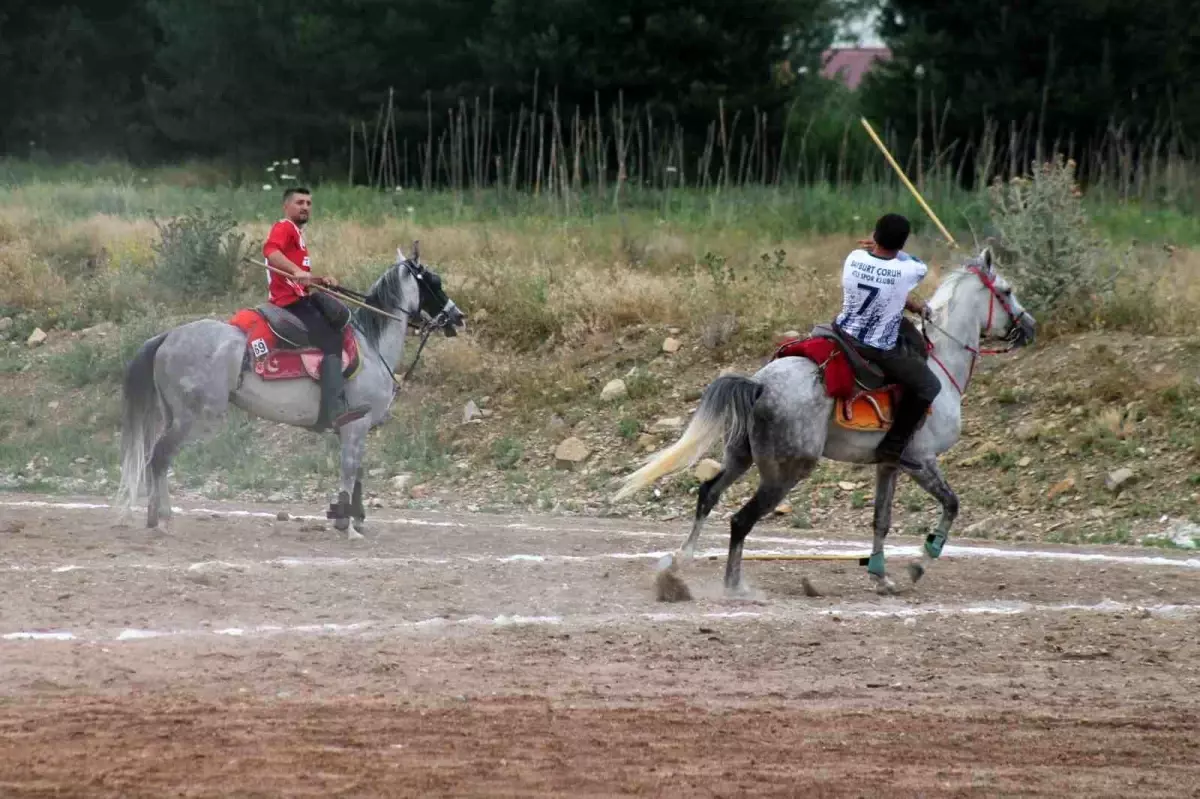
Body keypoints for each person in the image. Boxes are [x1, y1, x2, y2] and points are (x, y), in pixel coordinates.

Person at [833, 212, 941, 469]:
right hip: (875, 345)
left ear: (875, 235)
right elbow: (915, 266)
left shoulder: (854, 257)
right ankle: (893, 447)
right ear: (902, 244)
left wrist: (911, 305)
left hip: (843, 330)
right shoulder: (907, 269)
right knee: (929, 386)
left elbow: (884, 283)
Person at [262, 186, 368, 430]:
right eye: (299, 202)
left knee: (340, 321)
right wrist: (297, 271)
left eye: (309, 203)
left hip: (300, 296)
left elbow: (300, 278)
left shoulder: (298, 235)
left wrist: (321, 280)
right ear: (286, 206)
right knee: (331, 340)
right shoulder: (284, 227)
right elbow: (270, 252)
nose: (305, 207)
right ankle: (334, 412)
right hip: (287, 302)